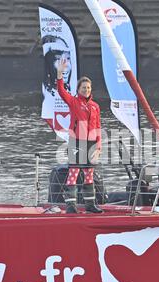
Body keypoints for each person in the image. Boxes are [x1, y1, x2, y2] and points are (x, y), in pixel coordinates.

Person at [57, 58, 103, 214]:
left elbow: (97, 127)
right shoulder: (73, 102)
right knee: (74, 173)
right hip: (76, 142)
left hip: (91, 143)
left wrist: (98, 146)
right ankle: (71, 206)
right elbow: (61, 91)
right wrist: (59, 73)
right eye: (84, 87)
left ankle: (90, 205)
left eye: (88, 87)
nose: (86, 90)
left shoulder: (95, 106)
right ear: (78, 89)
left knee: (89, 173)